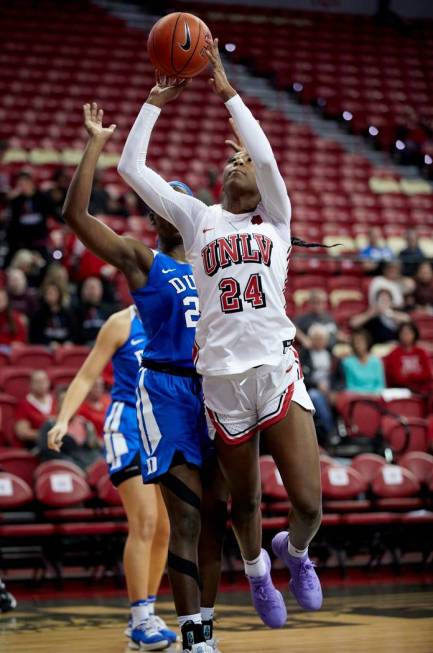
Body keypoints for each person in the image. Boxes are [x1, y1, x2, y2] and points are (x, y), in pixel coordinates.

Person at [118, 40, 323, 631]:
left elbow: (264, 156)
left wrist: (227, 91)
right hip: (222, 384)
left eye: (248, 165)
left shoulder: (277, 221)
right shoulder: (198, 217)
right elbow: (132, 171)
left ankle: (297, 554)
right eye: (231, 162)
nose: (241, 165)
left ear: (264, 186)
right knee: (247, 502)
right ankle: (257, 574)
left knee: (307, 503)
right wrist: (155, 103)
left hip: (278, 369)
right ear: (217, 181)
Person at [58, 101, 226, 653]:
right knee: (166, 519)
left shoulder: (212, 264)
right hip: (163, 396)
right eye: (163, 202)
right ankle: (159, 621)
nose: (173, 208)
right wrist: (95, 147)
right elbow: (77, 220)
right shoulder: (146, 263)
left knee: (215, 517)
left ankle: (244, 584)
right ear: (156, 217)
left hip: (215, 393)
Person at [47, 308, 176, 648]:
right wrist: (63, 419)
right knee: (145, 521)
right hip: (128, 426)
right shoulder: (121, 322)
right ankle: (140, 617)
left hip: (163, 427)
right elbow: (87, 376)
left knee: (165, 528)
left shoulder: (175, 317)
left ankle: (145, 614)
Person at [299, 324, 343, 446]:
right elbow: (301, 376)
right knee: (315, 396)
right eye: (316, 338)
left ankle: (348, 433)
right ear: (311, 339)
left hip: (331, 389)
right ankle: (331, 431)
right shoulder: (303, 354)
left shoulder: (332, 355)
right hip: (313, 388)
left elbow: (339, 377)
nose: (319, 341)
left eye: (322, 339)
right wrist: (317, 384)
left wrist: (334, 390)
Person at [40, 386, 102, 471]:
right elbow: (49, 453)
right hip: (65, 471)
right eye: (64, 402)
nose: (68, 406)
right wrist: (77, 467)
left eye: (72, 402)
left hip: (90, 468)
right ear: (57, 405)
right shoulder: (50, 426)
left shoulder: (86, 424)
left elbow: (94, 449)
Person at [5, 171, 57, 264]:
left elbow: (54, 214)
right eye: (19, 185)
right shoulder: (16, 201)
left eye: (23, 184)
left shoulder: (42, 198)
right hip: (20, 242)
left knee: (47, 263)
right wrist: (10, 200)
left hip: (39, 240)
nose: (21, 188)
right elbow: (11, 222)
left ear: (31, 183)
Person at [384, 322, 433, 394]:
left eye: (409, 333)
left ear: (414, 334)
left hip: (421, 388)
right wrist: (417, 373)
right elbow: (397, 378)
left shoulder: (421, 352)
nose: (407, 336)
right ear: (399, 335)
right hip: (400, 389)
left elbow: (427, 375)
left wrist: (409, 374)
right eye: (404, 333)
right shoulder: (394, 354)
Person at [29, 280, 77, 347]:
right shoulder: (39, 314)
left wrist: (69, 342)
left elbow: (74, 333)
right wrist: (48, 343)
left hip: (65, 348)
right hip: (45, 349)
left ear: (59, 294)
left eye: (53, 293)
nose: (51, 296)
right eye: (48, 293)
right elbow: (35, 336)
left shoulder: (68, 313)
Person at [15, 370, 54, 447]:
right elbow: (23, 433)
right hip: (38, 445)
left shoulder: (56, 401)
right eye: (37, 382)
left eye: (44, 381)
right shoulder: (24, 404)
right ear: (30, 384)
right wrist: (47, 436)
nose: (41, 385)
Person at [341, 330, 386, 394]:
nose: (358, 344)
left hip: (375, 397)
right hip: (356, 397)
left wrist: (373, 394)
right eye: (355, 342)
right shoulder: (347, 362)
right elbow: (350, 386)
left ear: (367, 342)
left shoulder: (376, 361)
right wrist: (364, 395)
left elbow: (380, 385)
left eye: (360, 341)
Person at [75, 276, 115, 345]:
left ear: (101, 290)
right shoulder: (75, 311)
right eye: (88, 288)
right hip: (82, 349)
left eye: (93, 288)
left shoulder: (111, 310)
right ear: (82, 291)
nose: (91, 291)